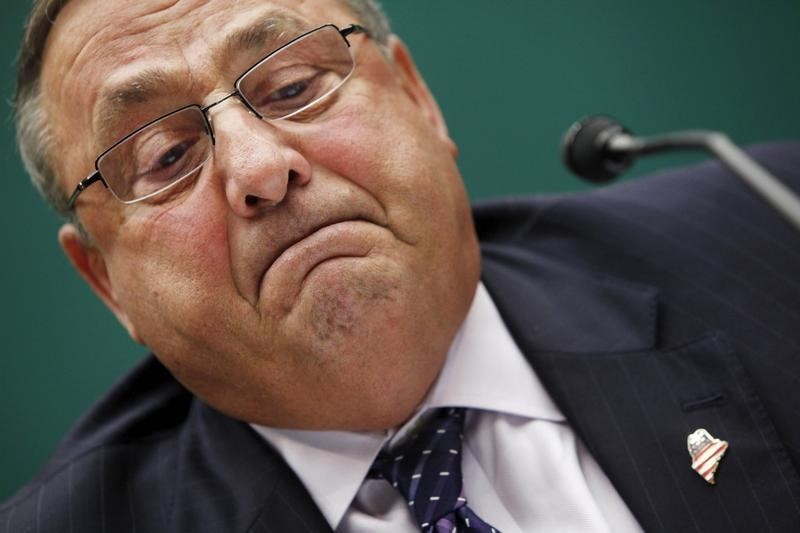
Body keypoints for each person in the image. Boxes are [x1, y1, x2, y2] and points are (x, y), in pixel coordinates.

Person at [2, 0, 800, 531]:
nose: (259, 168)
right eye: (168, 154)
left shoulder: (773, 234)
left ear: (419, 99)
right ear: (106, 282)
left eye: (290, 86)